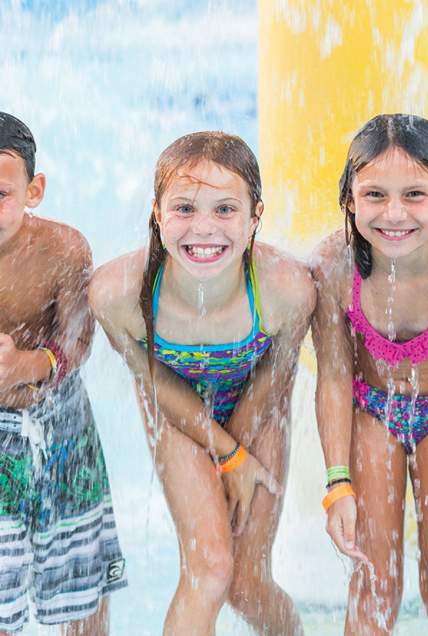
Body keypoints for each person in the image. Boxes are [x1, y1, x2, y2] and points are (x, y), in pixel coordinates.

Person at [89, 131, 315, 635]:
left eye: (225, 210)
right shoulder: (116, 295)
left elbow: (275, 377)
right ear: (157, 213)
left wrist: (239, 449)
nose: (204, 228)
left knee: (248, 583)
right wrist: (226, 455)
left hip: (257, 407)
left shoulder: (286, 289)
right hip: (175, 413)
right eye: (185, 208)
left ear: (256, 217)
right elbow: (153, 383)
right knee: (211, 570)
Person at [311, 114, 428, 635]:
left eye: (414, 194)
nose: (394, 214)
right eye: (375, 194)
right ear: (350, 198)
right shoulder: (334, 264)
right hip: (372, 411)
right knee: (376, 582)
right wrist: (338, 483)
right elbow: (331, 377)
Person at [0, 112, 126, 635]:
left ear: (35, 190)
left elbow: (79, 336)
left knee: (81, 579)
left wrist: (31, 365)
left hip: (59, 420)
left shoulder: (63, 249)